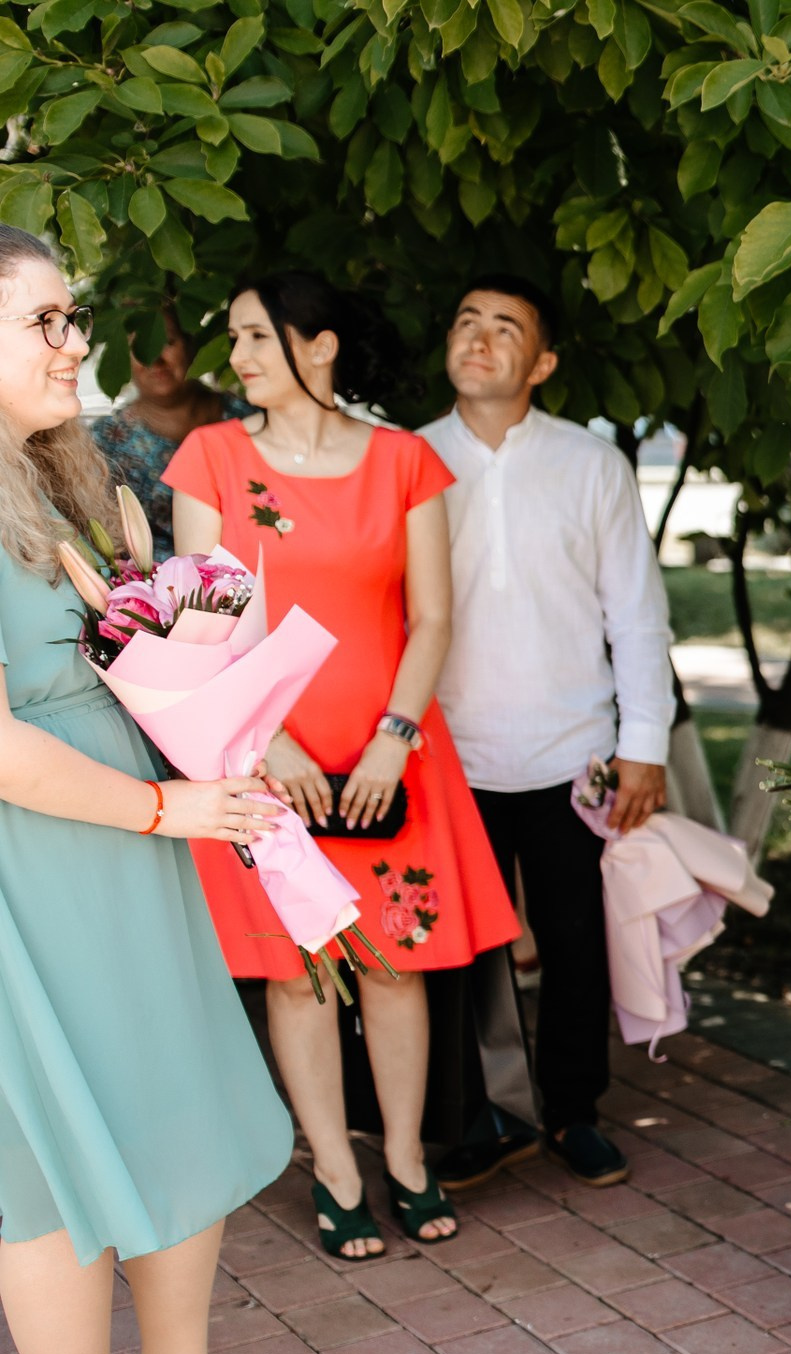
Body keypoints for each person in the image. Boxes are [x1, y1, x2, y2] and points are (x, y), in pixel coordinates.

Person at [0, 223, 324, 1354]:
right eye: (46, 321)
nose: (78, 343)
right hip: (39, 873)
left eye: (74, 317)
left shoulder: (72, 479)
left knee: (176, 1088)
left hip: (140, 851)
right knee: (51, 1153)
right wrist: (162, 801)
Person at [167, 272, 517, 1262]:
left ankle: (405, 1158)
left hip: (389, 753)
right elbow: (203, 622)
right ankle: (334, 1167)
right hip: (264, 755)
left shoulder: (405, 462)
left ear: (317, 348)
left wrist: (391, 737)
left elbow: (432, 616)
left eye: (255, 340)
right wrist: (269, 743)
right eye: (232, 341)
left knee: (399, 965)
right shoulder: (212, 459)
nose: (234, 361)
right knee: (300, 976)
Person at [421, 273, 674, 1192]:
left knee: (575, 945)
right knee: (461, 952)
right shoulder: (408, 462)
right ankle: (479, 1118)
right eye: (466, 320)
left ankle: (572, 1111)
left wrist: (644, 742)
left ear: (545, 361)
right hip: (445, 755)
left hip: (574, 753)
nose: (479, 339)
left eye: (505, 328)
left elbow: (636, 614)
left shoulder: (590, 465)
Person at [89, 311, 253, 560]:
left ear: (191, 345)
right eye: (138, 347)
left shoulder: (247, 417)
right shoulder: (106, 440)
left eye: (166, 342)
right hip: (163, 589)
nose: (155, 359)